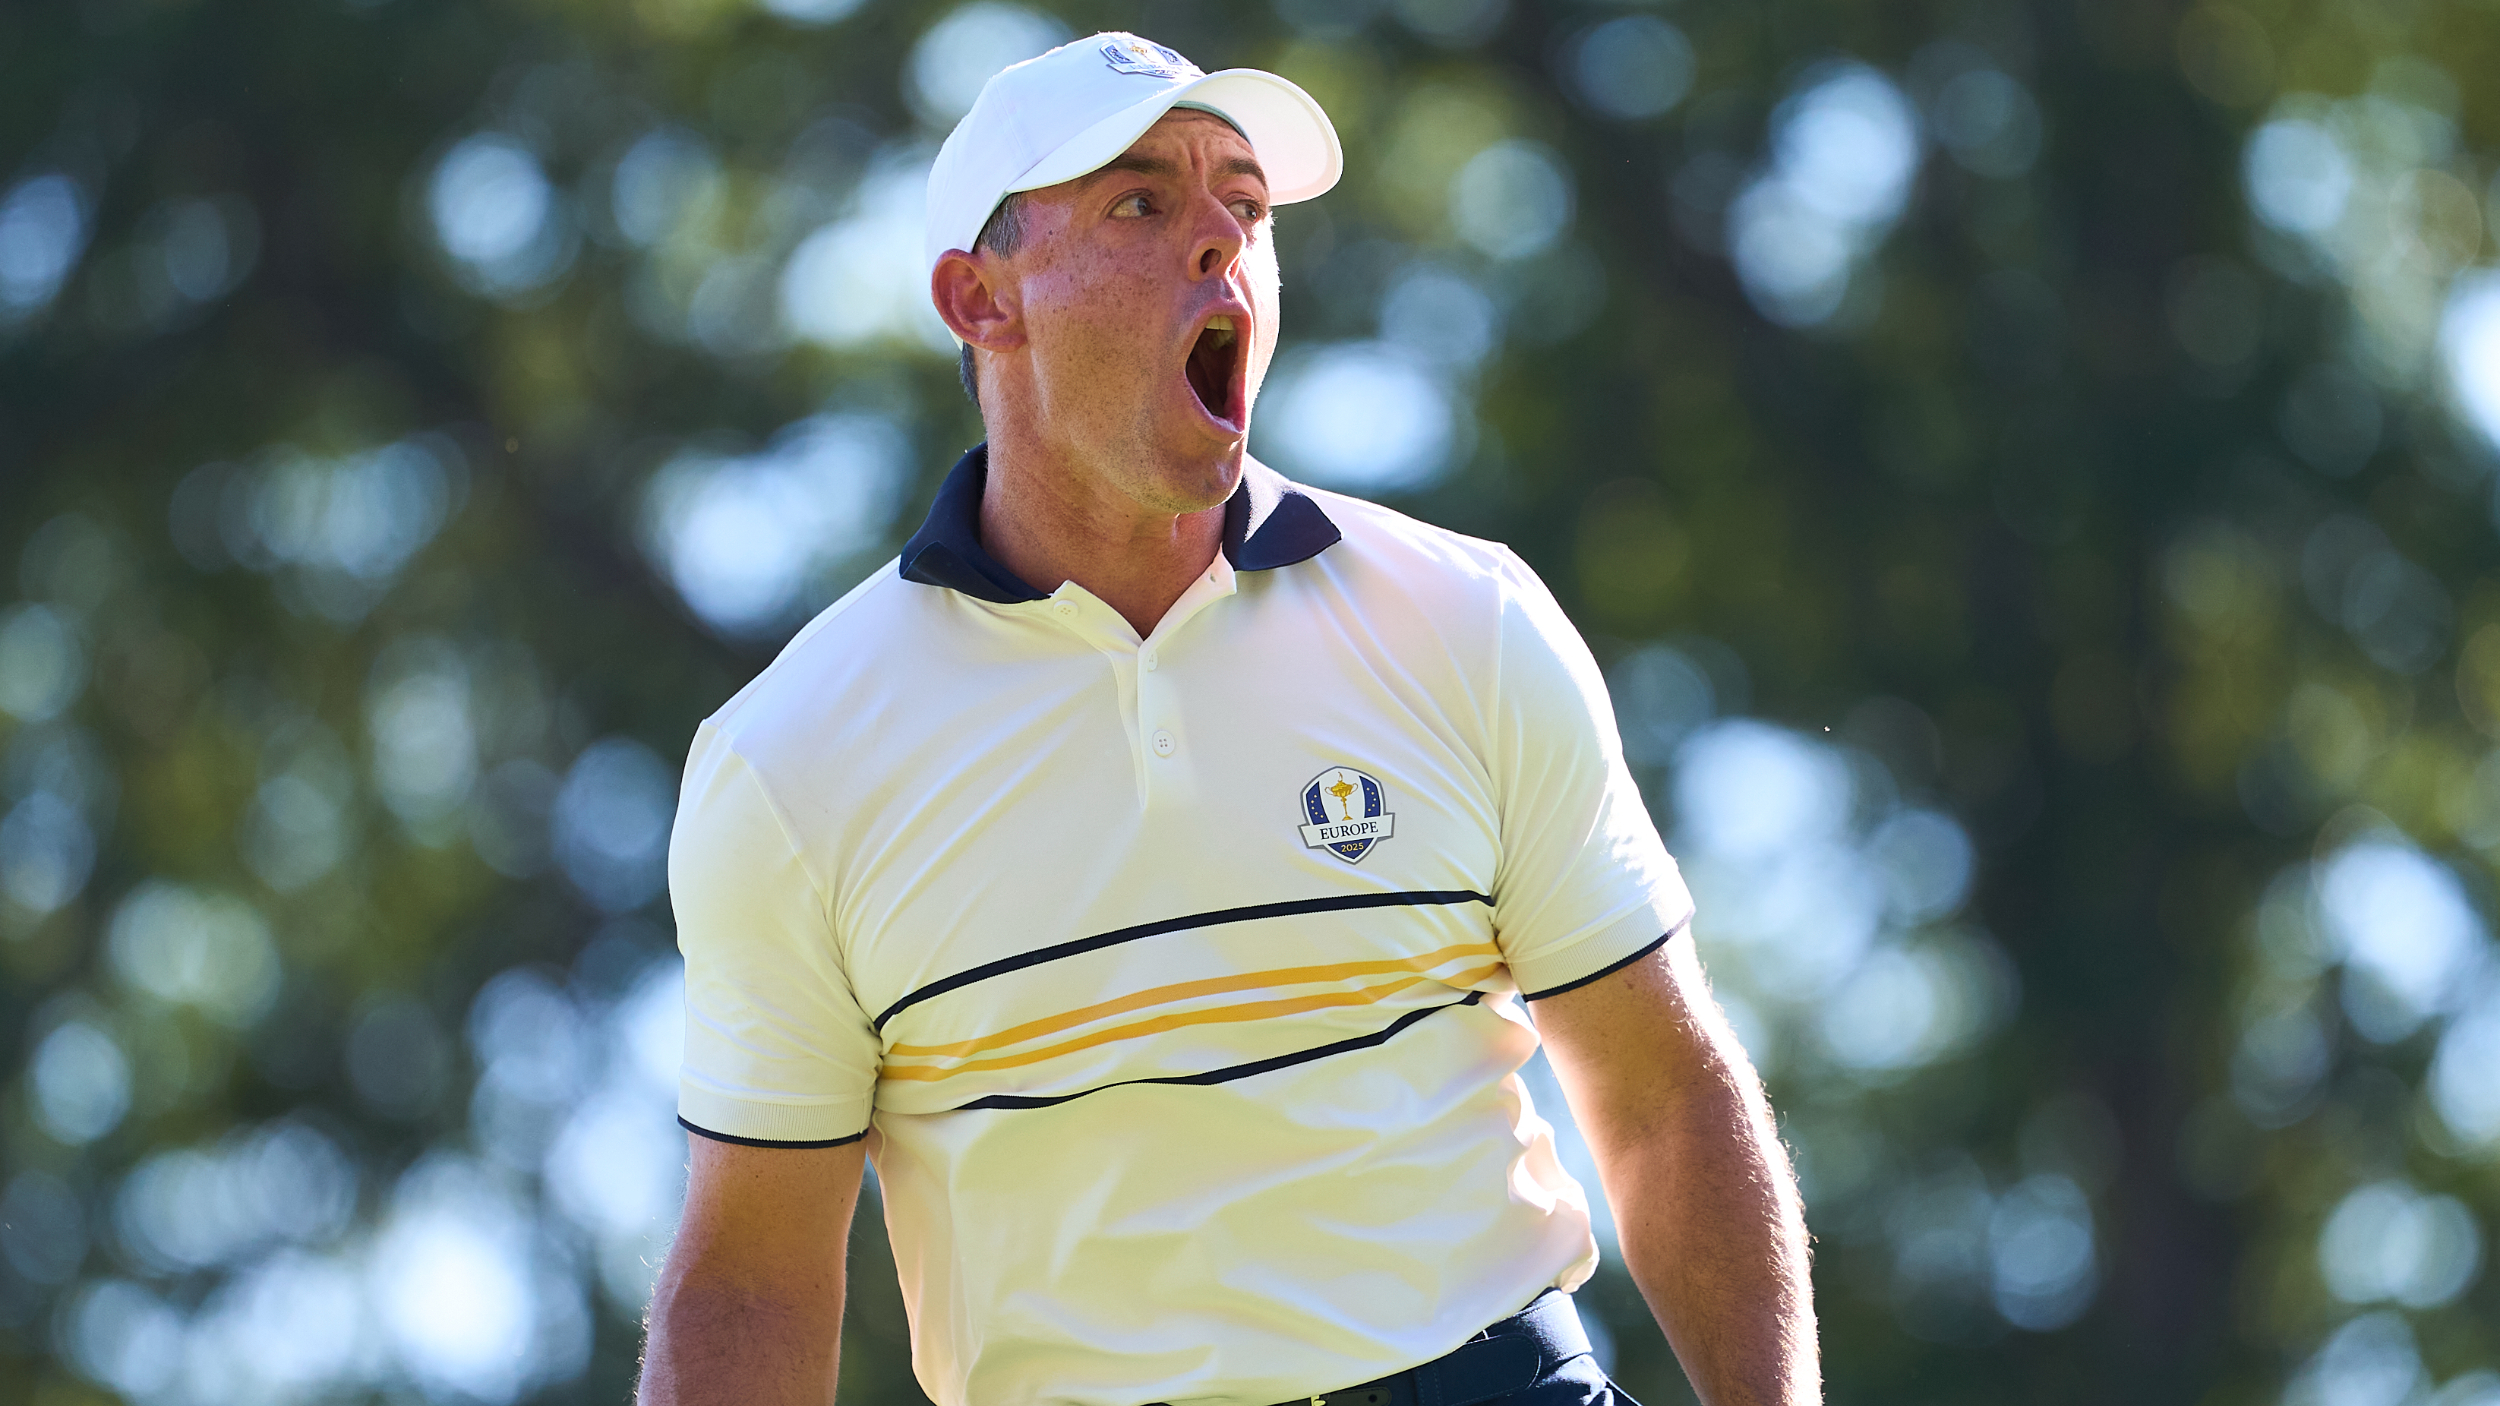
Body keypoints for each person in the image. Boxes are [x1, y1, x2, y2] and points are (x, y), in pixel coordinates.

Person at [638, 31, 1817, 1406]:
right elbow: (748, 1281)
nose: (1223, 244)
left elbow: (1668, 1101)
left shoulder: (1466, 620)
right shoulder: (790, 761)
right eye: (1141, 203)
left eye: (1246, 208)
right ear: (981, 299)